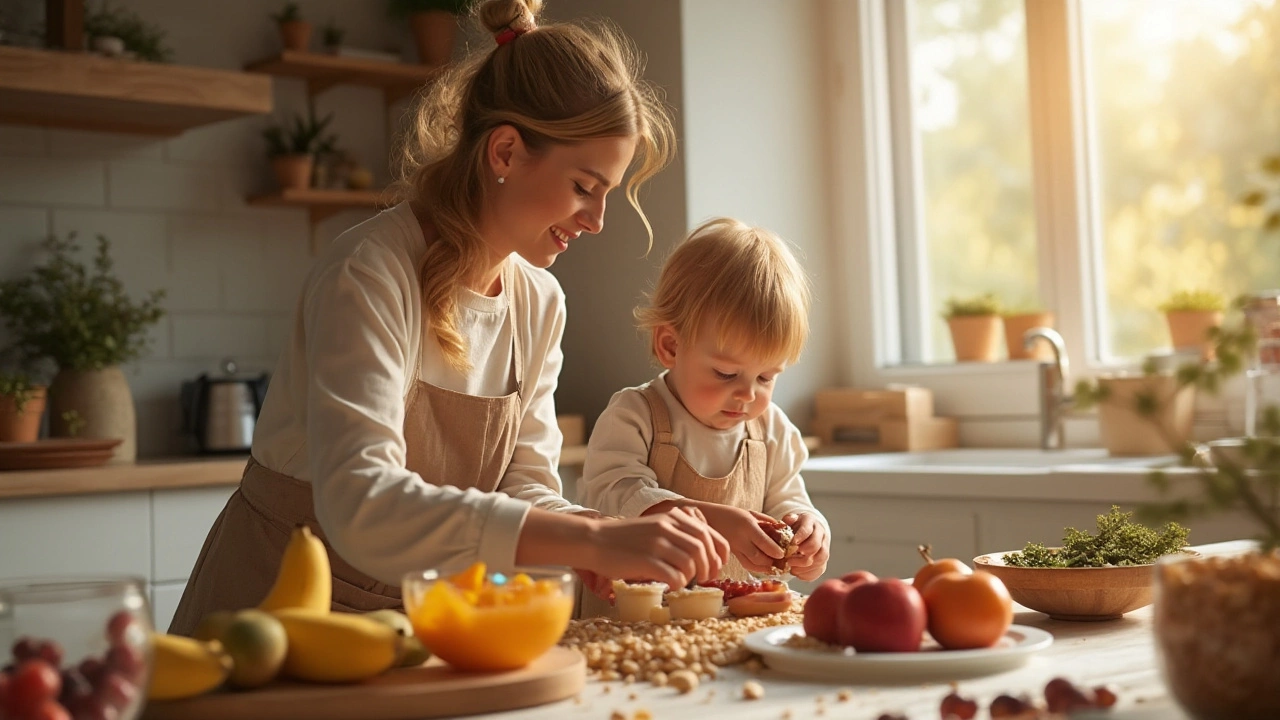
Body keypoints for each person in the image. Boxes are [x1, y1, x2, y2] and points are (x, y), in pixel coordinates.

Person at [169, 0, 728, 635]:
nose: (596, 221)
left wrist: (592, 531)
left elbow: (523, 484)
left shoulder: (538, 303)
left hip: (419, 621)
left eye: (607, 194)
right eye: (583, 186)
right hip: (273, 615)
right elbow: (363, 502)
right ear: (507, 152)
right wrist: (592, 541)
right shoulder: (370, 271)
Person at [580, 217, 831, 606]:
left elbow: (787, 498)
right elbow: (618, 497)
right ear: (670, 346)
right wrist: (713, 519)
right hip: (632, 619)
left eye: (767, 376)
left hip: (728, 622)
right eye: (726, 373)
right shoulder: (635, 415)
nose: (748, 394)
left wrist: (806, 532)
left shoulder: (771, 430)